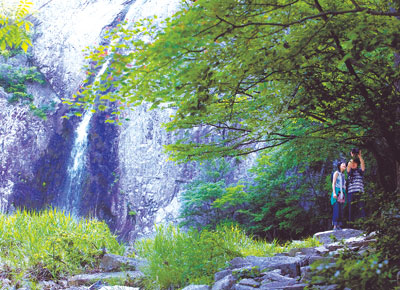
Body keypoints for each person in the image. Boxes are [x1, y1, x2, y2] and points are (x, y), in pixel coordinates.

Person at [347, 148, 366, 222]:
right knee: (351, 208)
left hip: (360, 191)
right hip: (351, 192)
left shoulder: (360, 171)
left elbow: (363, 165)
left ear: (357, 164)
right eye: (352, 163)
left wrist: (359, 156)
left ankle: (364, 223)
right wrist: (352, 156)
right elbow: (348, 166)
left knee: (361, 207)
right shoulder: (349, 172)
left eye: (355, 163)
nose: (353, 164)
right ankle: (350, 224)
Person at [331, 162, 347, 230]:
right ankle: (335, 226)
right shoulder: (336, 173)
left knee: (341, 209)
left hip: (342, 193)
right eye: (342, 164)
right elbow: (333, 183)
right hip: (337, 191)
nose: (344, 165)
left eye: (345, 165)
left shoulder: (343, 175)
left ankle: (339, 225)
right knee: (336, 208)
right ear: (339, 166)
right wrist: (334, 193)